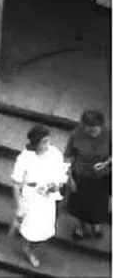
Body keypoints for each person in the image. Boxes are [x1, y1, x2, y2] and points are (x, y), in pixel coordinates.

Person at [10, 125, 69, 268]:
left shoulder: (54, 153)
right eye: (43, 142)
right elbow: (16, 184)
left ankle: (31, 242)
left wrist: (56, 185)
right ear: (35, 143)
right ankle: (27, 248)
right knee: (32, 226)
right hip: (32, 197)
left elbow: (60, 172)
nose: (47, 145)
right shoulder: (25, 158)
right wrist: (19, 206)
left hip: (47, 197)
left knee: (45, 225)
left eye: (48, 141)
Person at [64, 110, 111, 240]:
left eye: (95, 129)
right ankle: (81, 226)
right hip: (81, 176)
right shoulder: (75, 135)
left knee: (98, 204)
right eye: (88, 129)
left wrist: (106, 163)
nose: (92, 132)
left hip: (101, 177)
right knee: (81, 204)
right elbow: (67, 157)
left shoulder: (109, 135)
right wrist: (70, 177)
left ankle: (96, 224)